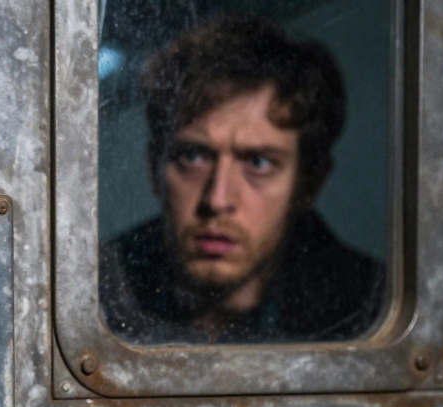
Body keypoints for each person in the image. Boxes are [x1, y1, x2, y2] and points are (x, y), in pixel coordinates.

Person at [100, 14, 386, 344]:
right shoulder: (98, 291)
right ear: (154, 170)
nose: (218, 200)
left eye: (259, 163)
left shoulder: (371, 311)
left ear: (309, 183)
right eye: (193, 156)